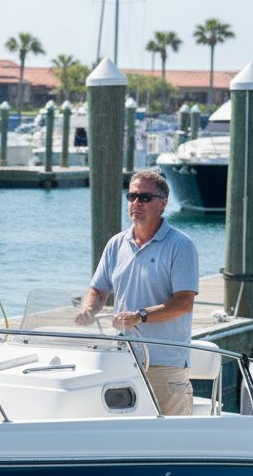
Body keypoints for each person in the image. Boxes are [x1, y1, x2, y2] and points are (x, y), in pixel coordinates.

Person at [75, 169, 199, 415]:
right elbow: (98, 289)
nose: (136, 203)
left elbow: (184, 303)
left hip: (165, 363)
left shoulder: (181, 246)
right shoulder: (116, 244)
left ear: (163, 204)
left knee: (173, 435)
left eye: (144, 197)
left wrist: (140, 316)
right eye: (132, 196)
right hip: (123, 359)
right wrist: (88, 309)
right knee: (124, 432)